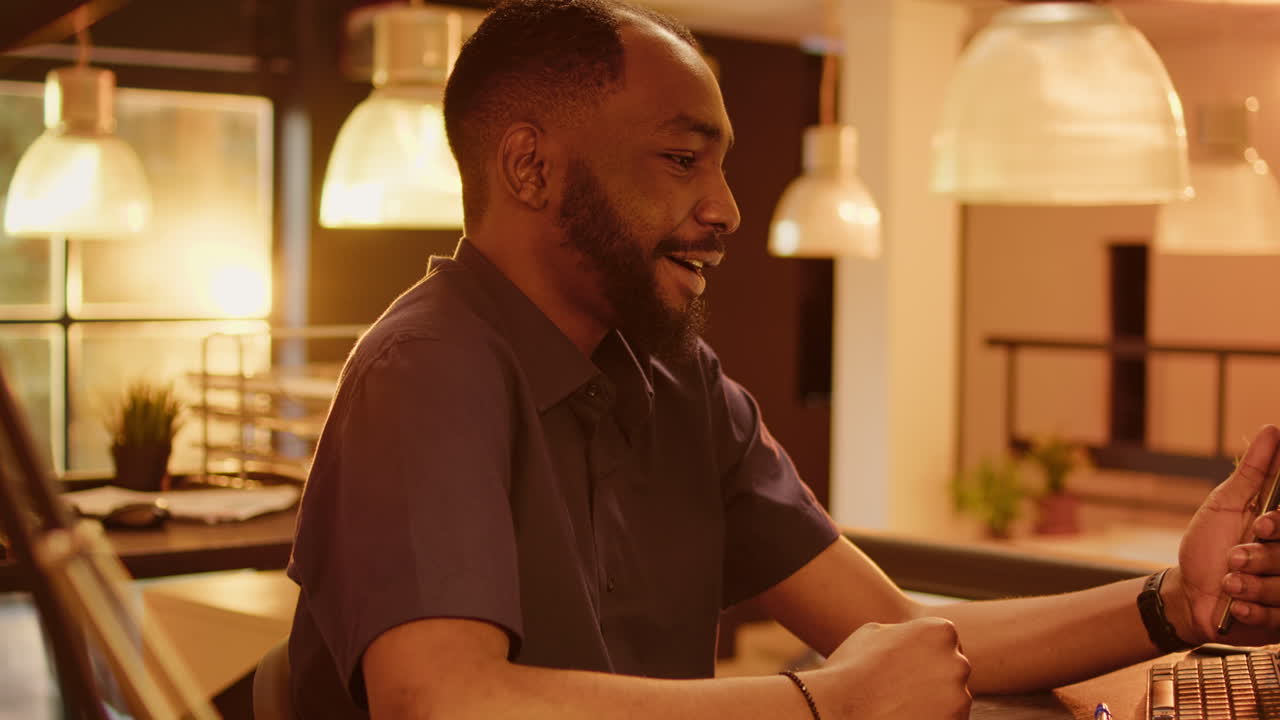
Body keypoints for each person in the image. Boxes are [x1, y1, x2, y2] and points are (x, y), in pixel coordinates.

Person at [286, 1, 1280, 718]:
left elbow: (892, 638)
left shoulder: (680, 387)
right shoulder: (422, 371)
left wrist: (1169, 603)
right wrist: (821, 706)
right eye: (681, 159)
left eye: (719, 163)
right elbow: (447, 703)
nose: (725, 209)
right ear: (530, 166)